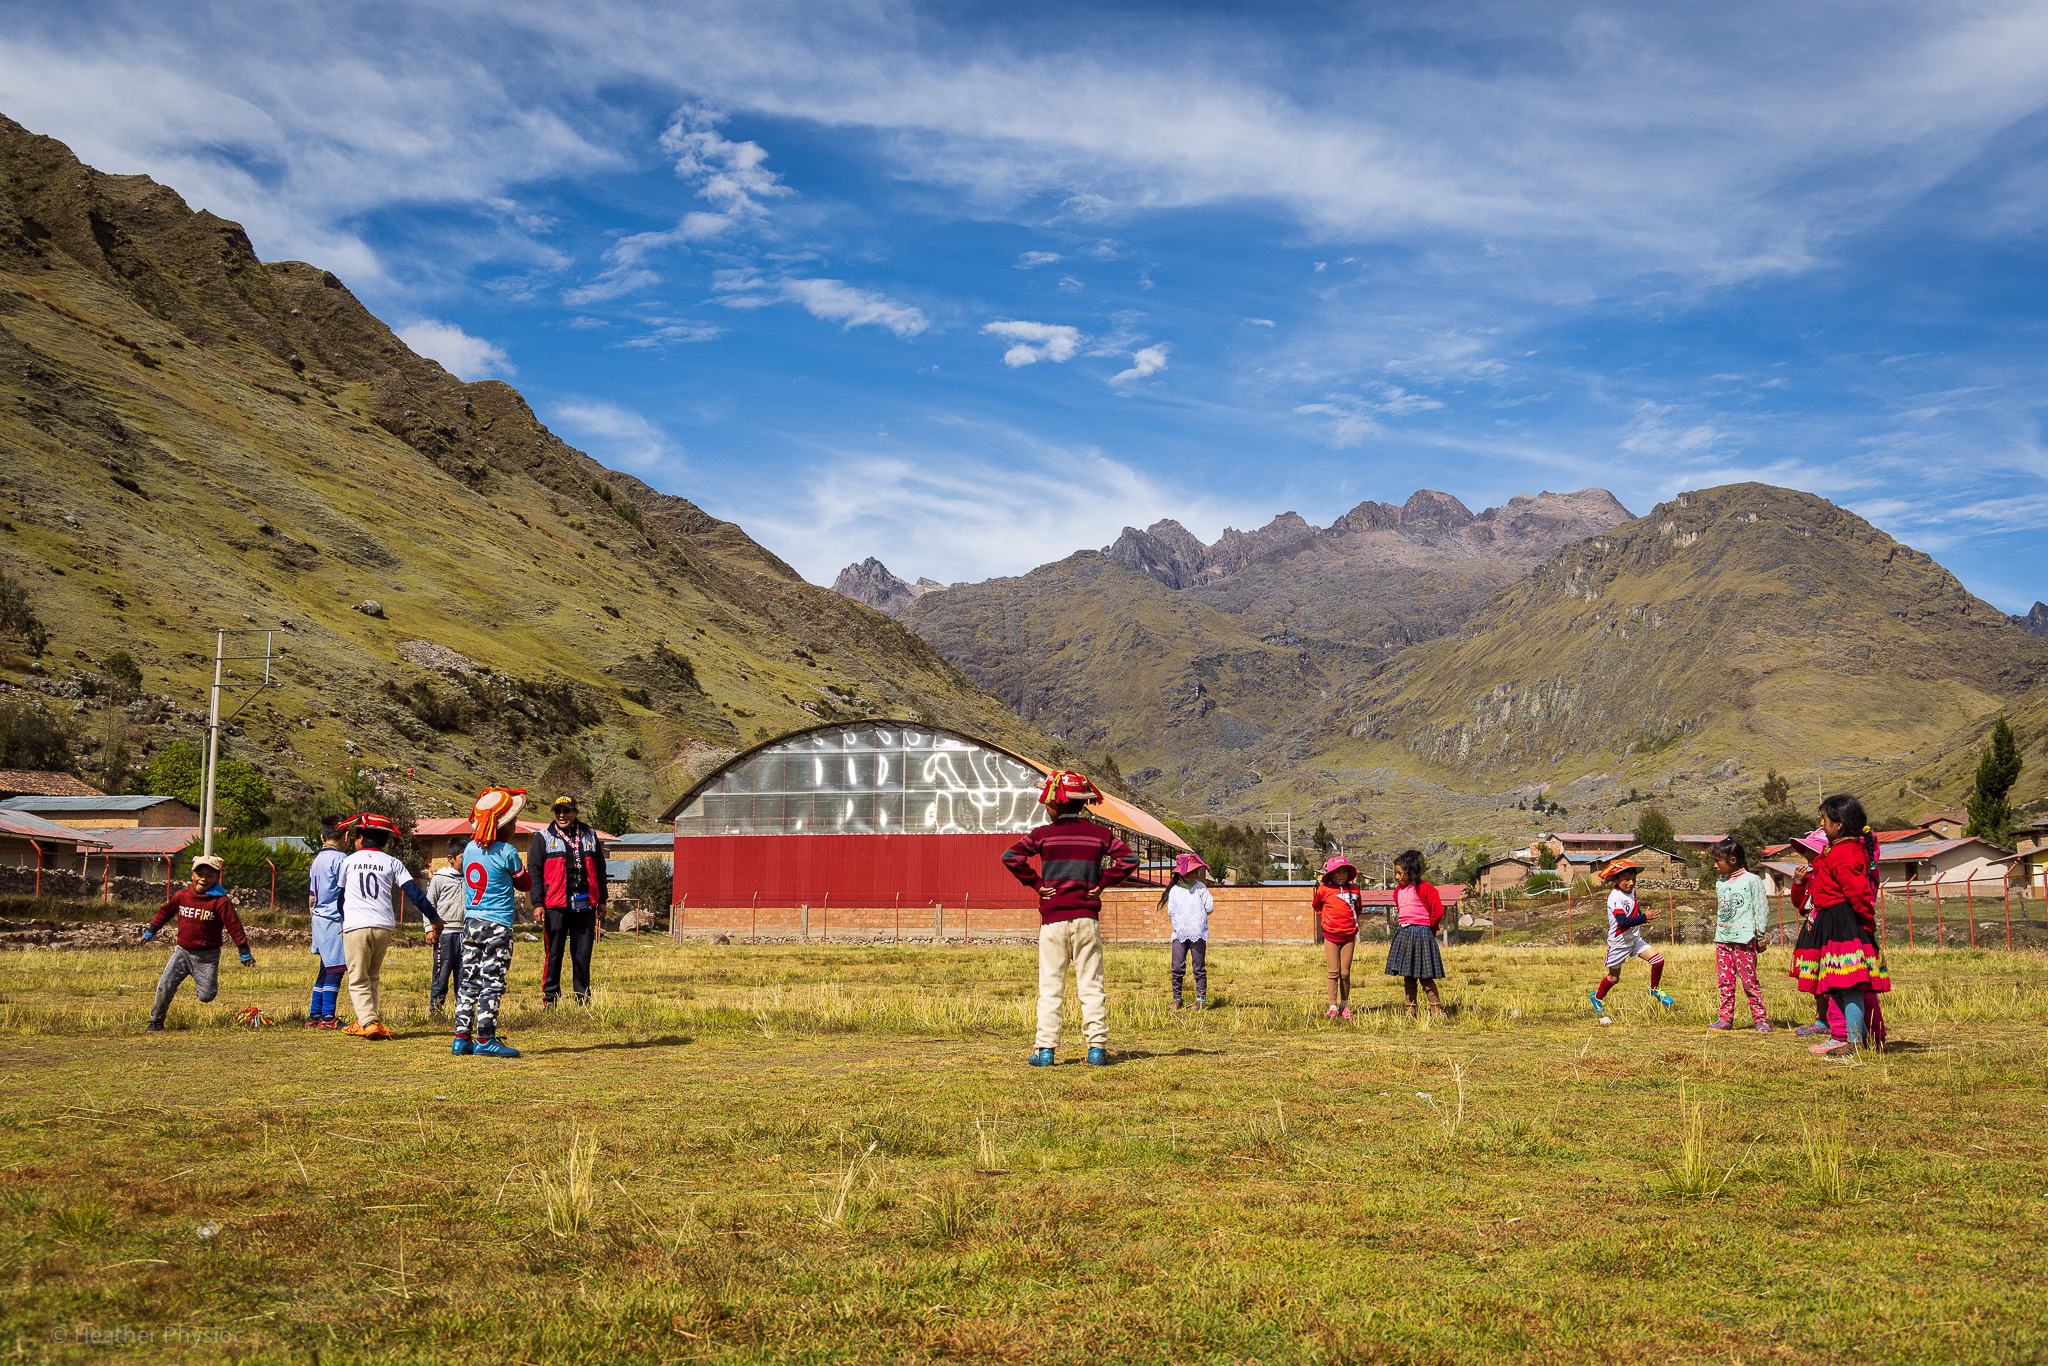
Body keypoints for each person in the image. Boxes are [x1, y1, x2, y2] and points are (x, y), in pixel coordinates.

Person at [1001, 770, 1138, 1067]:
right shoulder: (1100, 834)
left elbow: (1010, 857)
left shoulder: (1042, 835)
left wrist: (1037, 884)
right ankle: (1097, 1048)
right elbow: (1129, 860)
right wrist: (1102, 882)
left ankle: (1046, 1050)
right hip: (1087, 920)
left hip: (1053, 922)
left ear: (1055, 803)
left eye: (1047, 802)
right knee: (1092, 984)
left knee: (1051, 986)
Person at [1792, 794, 1890, 1060]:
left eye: (1824, 820)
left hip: (1843, 924)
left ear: (1839, 824)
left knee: (1847, 984)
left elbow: (1858, 893)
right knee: (1836, 984)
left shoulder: (1844, 855)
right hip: (1835, 922)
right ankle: (1844, 1037)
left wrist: (1866, 923)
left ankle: (1853, 1041)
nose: (1822, 825)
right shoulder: (1838, 851)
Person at [338, 814, 442, 1040]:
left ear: (361, 838)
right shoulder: (392, 862)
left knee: (357, 978)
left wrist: (343, 919)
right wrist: (434, 918)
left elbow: (340, 897)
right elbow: (415, 893)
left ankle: (368, 1022)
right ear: (385, 841)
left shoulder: (348, 861)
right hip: (383, 926)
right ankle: (368, 1019)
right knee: (372, 975)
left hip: (356, 925)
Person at [454, 787, 532, 1058]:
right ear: (504, 826)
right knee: (492, 981)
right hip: (497, 925)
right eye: (513, 822)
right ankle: (485, 1038)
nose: (516, 825)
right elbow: (525, 883)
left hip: (471, 922)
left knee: (469, 980)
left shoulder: (468, 850)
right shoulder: (507, 851)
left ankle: (461, 1038)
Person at [142, 853, 253, 1032]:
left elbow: (234, 926)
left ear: (217, 878)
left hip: (207, 957)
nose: (203, 879)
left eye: (210, 876)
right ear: (192, 875)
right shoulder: (182, 896)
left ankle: (202, 983)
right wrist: (150, 932)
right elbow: (165, 912)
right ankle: (156, 1021)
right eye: (200, 874)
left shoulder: (221, 901)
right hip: (182, 952)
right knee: (165, 986)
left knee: (206, 996)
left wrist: (244, 950)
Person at [530, 795, 607, 1008]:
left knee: (582, 953)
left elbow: (600, 868)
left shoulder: (589, 834)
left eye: (567, 811)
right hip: (555, 904)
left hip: (585, 903)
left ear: (576, 812)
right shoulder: (543, 837)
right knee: (553, 953)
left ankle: (582, 997)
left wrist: (602, 899)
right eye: (558, 811)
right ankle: (550, 998)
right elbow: (535, 873)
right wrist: (537, 903)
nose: (562, 815)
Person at [1589, 858, 1672, 1015]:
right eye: (1626, 879)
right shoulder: (1614, 897)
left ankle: (1654, 989)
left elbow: (1632, 910)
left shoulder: (1632, 892)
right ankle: (1598, 998)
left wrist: (1641, 914)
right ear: (1615, 878)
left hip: (1634, 940)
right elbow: (1622, 922)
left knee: (1658, 961)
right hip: (1619, 944)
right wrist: (1644, 918)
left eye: (1633, 878)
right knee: (1614, 979)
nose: (1631, 882)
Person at [1708, 838, 1771, 1032]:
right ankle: (1725, 1019)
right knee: (1725, 981)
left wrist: (1760, 935)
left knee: (1749, 981)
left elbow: (1761, 908)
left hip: (1744, 939)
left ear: (1733, 860)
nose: (1715, 865)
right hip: (1723, 939)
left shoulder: (1752, 880)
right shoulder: (1721, 884)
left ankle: (1760, 1020)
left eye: (1719, 861)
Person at [1384, 849, 1448, 1020]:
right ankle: (1410, 1012)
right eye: (1395, 873)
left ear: (1411, 871)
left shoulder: (1426, 889)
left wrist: (1428, 928)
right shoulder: (1397, 891)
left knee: (1425, 977)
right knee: (1409, 977)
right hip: (1404, 933)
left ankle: (1436, 1012)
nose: (1397, 877)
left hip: (1421, 934)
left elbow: (1438, 912)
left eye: (1400, 873)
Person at [1784, 829, 1835, 1036]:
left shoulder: (1827, 874)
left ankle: (1834, 1021)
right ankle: (1821, 1020)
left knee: (1829, 976)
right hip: (1812, 930)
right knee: (1816, 978)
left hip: (1828, 930)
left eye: (1810, 850)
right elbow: (1800, 904)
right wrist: (1798, 883)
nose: (1806, 855)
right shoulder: (1810, 877)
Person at [305, 817, 348, 1030]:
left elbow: (312, 895)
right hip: (334, 919)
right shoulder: (341, 860)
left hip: (318, 918)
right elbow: (345, 891)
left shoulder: (316, 860)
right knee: (336, 968)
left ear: (322, 837)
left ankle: (315, 1014)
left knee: (325, 967)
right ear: (347, 837)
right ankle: (328, 1016)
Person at [1312, 856, 1365, 1019]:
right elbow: (1317, 906)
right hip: (1331, 936)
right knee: (1333, 972)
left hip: (1349, 935)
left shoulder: (1355, 890)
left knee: (1345, 973)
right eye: (1337, 872)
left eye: (1344, 872)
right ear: (1331, 874)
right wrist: (1328, 921)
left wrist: (1350, 924)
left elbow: (1358, 909)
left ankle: (1344, 1005)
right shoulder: (1323, 890)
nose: (1341, 875)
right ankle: (1332, 1006)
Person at [1161, 853, 1212, 1009]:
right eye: (1190, 871)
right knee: (1177, 968)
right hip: (1179, 935)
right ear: (1181, 872)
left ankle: (1201, 1000)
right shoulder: (1174, 891)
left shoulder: (1201, 888)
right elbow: (1171, 911)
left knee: (1199, 968)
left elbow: (1209, 907)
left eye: (1195, 871)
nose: (1194, 874)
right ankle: (1177, 999)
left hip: (1198, 935)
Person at [426, 835, 468, 1016]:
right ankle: (436, 1012)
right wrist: (429, 929)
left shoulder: (472, 877)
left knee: (464, 976)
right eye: (463, 857)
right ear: (450, 858)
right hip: (446, 933)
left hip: (467, 934)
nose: (466, 861)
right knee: (441, 975)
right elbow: (428, 905)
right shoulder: (440, 878)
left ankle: (463, 1013)